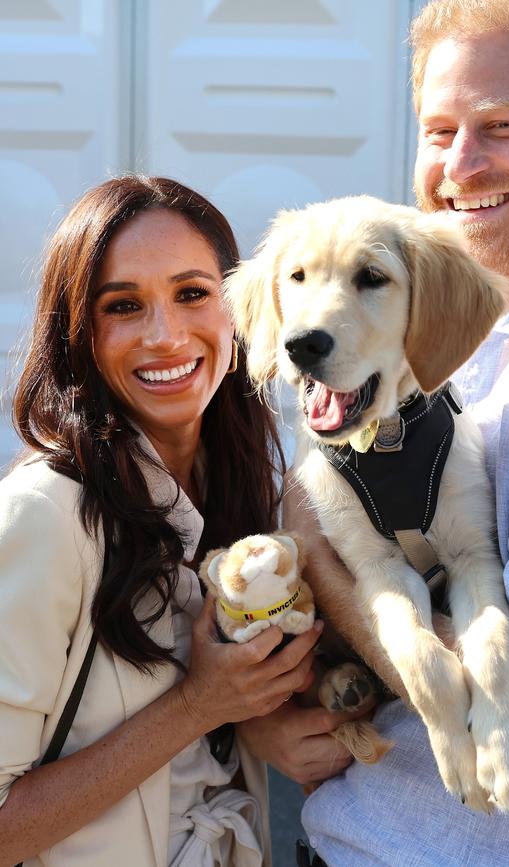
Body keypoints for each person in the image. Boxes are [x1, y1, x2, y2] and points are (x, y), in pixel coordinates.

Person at [239, 1, 509, 864]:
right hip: (353, 828)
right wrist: (281, 723)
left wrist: (320, 551)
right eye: (438, 130)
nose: (461, 166)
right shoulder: (440, 337)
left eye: (501, 127)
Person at [0, 176, 331, 867]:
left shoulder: (251, 493)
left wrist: (259, 717)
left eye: (191, 294)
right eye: (124, 306)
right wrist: (199, 704)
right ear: (79, 336)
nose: (165, 335)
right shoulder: (46, 516)